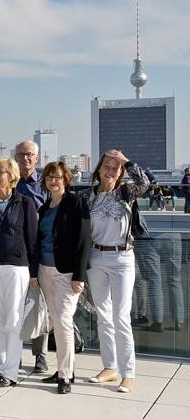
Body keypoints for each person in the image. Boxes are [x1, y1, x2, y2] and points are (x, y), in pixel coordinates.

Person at [85, 149, 149, 393]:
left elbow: (144, 182)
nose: (110, 171)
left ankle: (128, 372)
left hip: (121, 258)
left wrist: (127, 161)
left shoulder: (125, 192)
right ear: (99, 170)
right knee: (103, 315)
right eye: (107, 167)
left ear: (120, 172)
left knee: (121, 316)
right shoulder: (88, 196)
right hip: (96, 257)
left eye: (115, 168)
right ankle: (109, 367)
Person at [0, 157, 39, 388]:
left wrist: (34, 273)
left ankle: (11, 372)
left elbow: (32, 240)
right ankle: (1, 365)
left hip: (17, 267)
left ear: (10, 175)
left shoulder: (25, 203)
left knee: (13, 319)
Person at [36, 162, 91, 394]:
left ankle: (65, 376)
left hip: (67, 273)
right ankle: (64, 369)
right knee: (54, 318)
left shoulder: (76, 203)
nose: (53, 181)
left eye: (57, 177)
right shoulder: (44, 207)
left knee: (62, 320)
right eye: (49, 177)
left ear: (66, 179)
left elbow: (85, 240)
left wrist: (79, 275)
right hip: (45, 270)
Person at [14, 140, 52, 376]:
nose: (25, 158)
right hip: (16, 251)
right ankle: (13, 353)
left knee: (40, 304)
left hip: (39, 249)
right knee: (14, 305)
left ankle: (40, 355)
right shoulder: (10, 183)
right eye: (21, 154)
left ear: (37, 158)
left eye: (29, 154)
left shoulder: (45, 184)